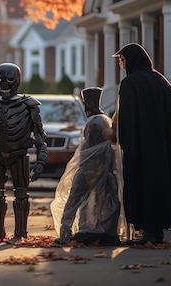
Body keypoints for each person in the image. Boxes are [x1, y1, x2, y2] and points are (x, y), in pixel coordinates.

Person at [111, 42, 171, 244]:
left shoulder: (130, 84)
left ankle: (149, 232)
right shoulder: (161, 80)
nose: (121, 65)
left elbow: (128, 117)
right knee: (159, 185)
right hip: (163, 146)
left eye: (122, 60)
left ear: (132, 60)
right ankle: (154, 232)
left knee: (143, 185)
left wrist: (122, 139)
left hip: (142, 147)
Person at [0, 63, 47, 244]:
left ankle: (20, 233)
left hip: (19, 155)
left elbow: (39, 137)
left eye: (9, 80)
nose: (4, 84)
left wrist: (40, 162)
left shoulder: (29, 105)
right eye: (0, 79)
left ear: (17, 81)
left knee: (21, 195)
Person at [51, 87, 125, 246]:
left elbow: (88, 148)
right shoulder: (105, 119)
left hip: (90, 168)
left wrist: (86, 169)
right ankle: (106, 232)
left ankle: (65, 233)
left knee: (73, 201)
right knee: (105, 201)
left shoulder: (94, 122)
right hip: (105, 168)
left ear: (88, 105)